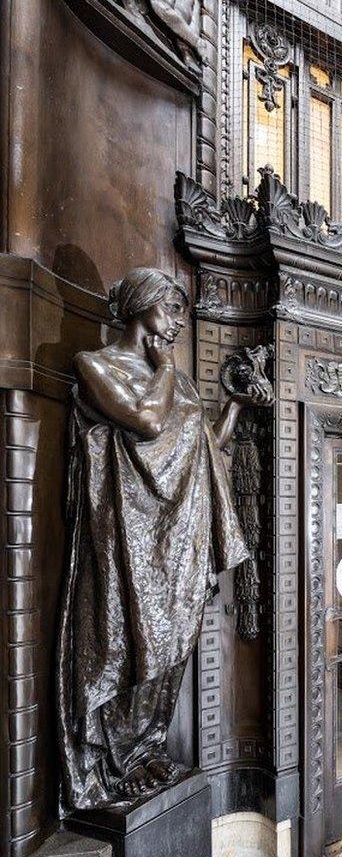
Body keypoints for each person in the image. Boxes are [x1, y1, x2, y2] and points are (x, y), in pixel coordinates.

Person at [56, 267, 272, 810]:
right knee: (128, 638)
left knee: (172, 645)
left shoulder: (173, 379)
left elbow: (204, 447)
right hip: (129, 533)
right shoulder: (96, 366)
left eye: (181, 313)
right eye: (170, 310)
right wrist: (168, 368)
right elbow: (148, 423)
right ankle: (114, 756)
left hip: (179, 532)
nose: (177, 323)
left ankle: (147, 746)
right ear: (140, 305)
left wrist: (236, 404)